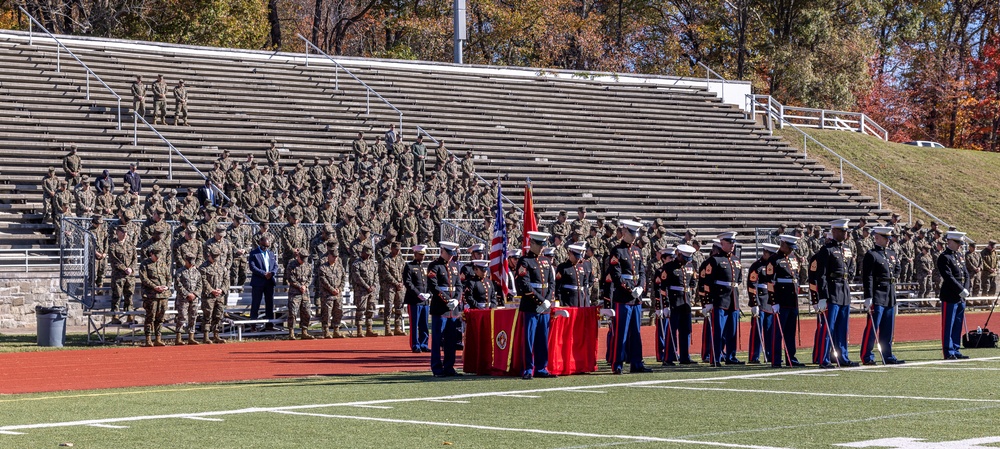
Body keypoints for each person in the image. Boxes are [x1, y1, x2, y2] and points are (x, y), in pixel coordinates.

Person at [809, 219, 857, 369]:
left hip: (844, 291)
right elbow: (821, 275)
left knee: (843, 327)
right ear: (834, 231)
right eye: (843, 231)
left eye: (846, 231)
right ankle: (824, 358)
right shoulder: (826, 250)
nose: (845, 233)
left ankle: (842, 356)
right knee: (828, 327)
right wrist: (822, 296)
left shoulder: (847, 249)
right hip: (832, 292)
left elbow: (850, 269)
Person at [607, 220, 651, 374]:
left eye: (635, 235)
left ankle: (637, 363)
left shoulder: (638, 251)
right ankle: (617, 364)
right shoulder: (617, 251)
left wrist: (640, 287)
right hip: (624, 298)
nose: (633, 237)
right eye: (631, 234)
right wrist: (631, 289)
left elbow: (642, 272)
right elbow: (616, 275)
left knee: (636, 333)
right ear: (624, 232)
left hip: (636, 298)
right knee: (621, 332)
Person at [697, 231, 744, 366]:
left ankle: (731, 356)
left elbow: (738, 280)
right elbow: (707, 283)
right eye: (729, 243)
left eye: (733, 243)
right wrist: (708, 302)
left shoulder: (736, 260)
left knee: (732, 331)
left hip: (733, 299)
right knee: (718, 331)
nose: (732, 245)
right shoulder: (715, 260)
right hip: (719, 299)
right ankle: (715, 357)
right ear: (722, 243)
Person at [515, 232, 557, 379]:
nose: (541, 248)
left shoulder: (546, 261)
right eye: (539, 245)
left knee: (542, 339)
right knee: (529, 339)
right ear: (532, 243)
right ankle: (528, 368)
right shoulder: (524, 261)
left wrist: (547, 301)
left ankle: (541, 367)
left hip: (544, 306)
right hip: (531, 306)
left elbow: (551, 283)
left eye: (543, 245)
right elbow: (524, 284)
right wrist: (540, 301)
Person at [861, 226, 905, 365]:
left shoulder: (891, 253)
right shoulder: (872, 254)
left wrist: (893, 277)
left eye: (889, 238)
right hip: (878, 293)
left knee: (888, 328)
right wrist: (868, 296)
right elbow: (867, 277)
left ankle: (887, 355)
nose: (888, 241)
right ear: (877, 238)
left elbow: (898, 267)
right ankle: (867, 356)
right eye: (886, 238)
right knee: (872, 328)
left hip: (890, 293)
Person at [766, 234, 805, 367]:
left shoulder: (793, 258)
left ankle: (791, 358)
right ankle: (776, 360)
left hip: (792, 299)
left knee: (790, 332)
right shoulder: (774, 260)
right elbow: (770, 283)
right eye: (789, 247)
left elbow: (796, 276)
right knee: (778, 333)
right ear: (783, 245)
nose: (791, 250)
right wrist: (774, 301)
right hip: (781, 300)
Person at [428, 241, 463, 377]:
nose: (450, 257)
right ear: (442, 251)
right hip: (440, 308)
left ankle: (449, 367)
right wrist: (447, 300)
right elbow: (433, 286)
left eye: (452, 254)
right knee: (437, 340)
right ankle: (437, 368)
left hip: (452, 309)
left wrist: (456, 299)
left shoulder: (454, 266)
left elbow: (458, 286)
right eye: (448, 253)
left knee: (451, 341)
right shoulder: (434, 266)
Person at [659, 244, 698, 366]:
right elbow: (663, 288)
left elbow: (693, 281)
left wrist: (691, 288)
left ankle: (685, 356)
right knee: (672, 330)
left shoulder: (690, 266)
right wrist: (665, 305)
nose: (686, 261)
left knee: (686, 330)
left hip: (686, 301)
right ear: (679, 255)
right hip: (674, 301)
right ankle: (668, 357)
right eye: (684, 258)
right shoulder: (669, 267)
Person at [939, 231, 971, 359]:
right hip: (950, 295)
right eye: (958, 243)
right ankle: (949, 351)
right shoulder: (944, 257)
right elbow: (948, 277)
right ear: (950, 241)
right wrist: (960, 289)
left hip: (960, 296)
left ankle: (956, 349)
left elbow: (966, 274)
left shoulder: (959, 256)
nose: (959, 246)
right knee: (948, 325)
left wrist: (966, 289)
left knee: (958, 324)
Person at [746, 243, 778, 365]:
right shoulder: (757, 266)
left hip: (770, 301)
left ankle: (770, 355)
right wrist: (754, 303)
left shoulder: (773, 265)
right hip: (760, 300)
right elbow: (751, 285)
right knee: (757, 331)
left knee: (770, 330)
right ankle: (754, 356)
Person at [139, 245, 171, 347]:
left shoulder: (162, 263)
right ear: (151, 254)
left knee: (160, 318)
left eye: (159, 255)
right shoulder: (145, 264)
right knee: (150, 317)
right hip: (151, 295)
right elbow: (144, 279)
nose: (157, 257)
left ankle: (158, 338)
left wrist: (167, 286)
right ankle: (148, 339)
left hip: (163, 295)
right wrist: (155, 287)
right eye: (156, 255)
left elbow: (168, 277)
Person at [404, 244, 430, 352]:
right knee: (415, 324)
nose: (422, 257)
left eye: (423, 255)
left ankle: (424, 344)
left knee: (424, 324)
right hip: (414, 300)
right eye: (420, 255)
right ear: (415, 254)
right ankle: (415, 345)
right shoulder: (409, 266)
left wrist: (429, 293)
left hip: (424, 301)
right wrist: (418, 293)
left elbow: (428, 282)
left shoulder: (425, 268)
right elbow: (408, 282)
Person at [200, 246, 229, 344]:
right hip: (208, 296)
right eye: (214, 256)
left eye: (217, 256)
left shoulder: (221, 267)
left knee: (218, 315)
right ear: (209, 255)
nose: (215, 258)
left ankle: (216, 335)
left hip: (219, 296)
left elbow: (226, 280)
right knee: (207, 316)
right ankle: (206, 336)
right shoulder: (203, 267)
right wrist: (211, 290)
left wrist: (222, 290)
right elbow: (203, 281)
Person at [248, 235, 278, 331]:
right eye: (264, 246)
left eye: (267, 246)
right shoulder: (254, 253)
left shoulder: (271, 254)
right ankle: (253, 325)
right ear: (260, 243)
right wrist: (264, 273)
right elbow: (252, 267)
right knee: (256, 303)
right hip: (258, 282)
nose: (266, 248)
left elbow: (275, 266)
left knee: (270, 303)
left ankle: (269, 325)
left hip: (269, 282)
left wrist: (272, 273)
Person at [350, 244, 379, 337]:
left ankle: (369, 329)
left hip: (371, 291)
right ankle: (359, 330)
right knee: (360, 310)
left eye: (369, 254)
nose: (368, 255)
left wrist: (374, 286)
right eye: (366, 253)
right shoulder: (356, 264)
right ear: (362, 252)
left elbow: (376, 276)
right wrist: (367, 286)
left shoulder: (372, 263)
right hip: (361, 291)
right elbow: (357, 277)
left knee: (370, 310)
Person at [317, 247, 347, 338]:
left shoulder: (339, 267)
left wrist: (339, 289)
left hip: (337, 294)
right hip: (327, 295)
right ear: (329, 256)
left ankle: (336, 330)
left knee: (338, 312)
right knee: (327, 313)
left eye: (336, 257)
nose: (335, 258)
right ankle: (326, 330)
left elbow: (343, 279)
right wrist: (332, 290)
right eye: (333, 256)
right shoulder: (323, 268)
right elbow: (323, 281)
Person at [108, 226, 136, 325]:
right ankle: (115, 316)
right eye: (122, 232)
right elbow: (114, 260)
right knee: (117, 296)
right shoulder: (113, 245)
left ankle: (130, 316)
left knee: (129, 296)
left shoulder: (130, 245)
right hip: (118, 276)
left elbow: (134, 259)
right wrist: (124, 268)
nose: (124, 234)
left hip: (129, 276)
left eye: (126, 232)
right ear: (117, 232)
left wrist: (131, 268)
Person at [285, 248, 315, 340]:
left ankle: (304, 331)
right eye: (302, 259)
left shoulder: (308, 266)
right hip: (295, 292)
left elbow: (310, 278)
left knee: (307, 312)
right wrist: (299, 286)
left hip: (305, 292)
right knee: (293, 312)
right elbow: (290, 278)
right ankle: (291, 332)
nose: (303, 261)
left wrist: (305, 285)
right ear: (298, 257)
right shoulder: (291, 265)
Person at [379, 240, 406, 336]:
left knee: (399, 307)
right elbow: (386, 274)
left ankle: (397, 327)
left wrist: (401, 283)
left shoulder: (401, 260)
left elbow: (404, 272)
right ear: (391, 249)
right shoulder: (386, 260)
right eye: (396, 249)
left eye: (399, 249)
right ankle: (387, 327)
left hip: (399, 287)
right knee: (389, 307)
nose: (398, 251)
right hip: (389, 287)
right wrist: (396, 283)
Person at [173, 253, 201, 345]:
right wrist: (187, 294)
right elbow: (177, 285)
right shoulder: (180, 272)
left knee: (193, 317)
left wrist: (195, 294)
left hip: (194, 298)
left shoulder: (196, 272)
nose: (192, 264)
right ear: (185, 261)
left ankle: (191, 337)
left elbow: (200, 285)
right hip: (183, 299)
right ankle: (178, 337)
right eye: (190, 262)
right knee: (182, 317)